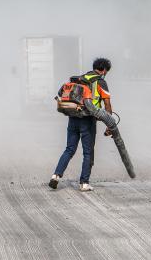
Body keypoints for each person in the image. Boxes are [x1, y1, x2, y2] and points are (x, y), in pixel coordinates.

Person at [49, 57, 117, 192]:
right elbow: (107, 104)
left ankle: (55, 176)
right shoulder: (100, 82)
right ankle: (84, 183)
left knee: (69, 149)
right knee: (88, 152)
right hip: (88, 120)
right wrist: (109, 123)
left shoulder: (79, 79)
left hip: (73, 117)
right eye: (106, 72)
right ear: (103, 70)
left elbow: (60, 94)